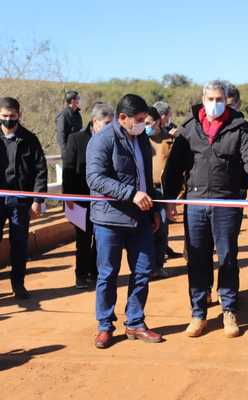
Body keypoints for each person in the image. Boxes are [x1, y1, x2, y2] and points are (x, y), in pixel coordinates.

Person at [162, 80, 248, 339]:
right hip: (196, 204)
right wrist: (170, 199)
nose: (214, 104)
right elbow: (173, 170)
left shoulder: (243, 130)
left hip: (227, 203)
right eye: (210, 99)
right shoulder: (188, 130)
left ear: (226, 100)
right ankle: (198, 312)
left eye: (219, 99)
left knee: (227, 257)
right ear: (203, 99)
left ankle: (229, 309)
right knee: (197, 258)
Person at [86, 94, 163, 349]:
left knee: (142, 271)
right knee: (108, 274)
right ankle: (105, 326)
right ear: (122, 118)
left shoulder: (141, 138)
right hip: (109, 219)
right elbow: (95, 179)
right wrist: (130, 194)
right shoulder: (102, 141)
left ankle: (135, 322)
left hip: (140, 218)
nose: (143, 124)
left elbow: (145, 176)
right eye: (139, 120)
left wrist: (152, 209)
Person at [0, 97, 48, 299]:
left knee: (19, 244)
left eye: (12, 116)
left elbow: (40, 171)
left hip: (20, 200)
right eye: (4, 116)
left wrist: (38, 200)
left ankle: (18, 284)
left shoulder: (29, 139)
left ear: (19, 115)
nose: (8, 120)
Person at [63, 102, 114, 289]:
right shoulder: (76, 139)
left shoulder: (113, 140)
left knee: (101, 239)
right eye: (106, 122)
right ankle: (81, 274)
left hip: (104, 200)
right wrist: (68, 199)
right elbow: (68, 171)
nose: (110, 127)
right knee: (83, 240)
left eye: (112, 122)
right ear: (95, 122)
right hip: (81, 199)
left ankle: (95, 272)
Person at [145, 106, 173, 279]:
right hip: (143, 191)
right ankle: (146, 266)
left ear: (157, 122)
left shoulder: (169, 140)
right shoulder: (138, 139)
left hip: (162, 191)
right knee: (145, 229)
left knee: (161, 228)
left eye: (148, 122)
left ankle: (158, 265)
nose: (145, 126)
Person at [56, 90, 83, 156]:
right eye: (77, 98)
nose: (78, 101)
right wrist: (66, 153)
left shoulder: (78, 114)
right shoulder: (63, 115)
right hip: (69, 153)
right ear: (72, 101)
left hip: (78, 151)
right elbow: (60, 136)